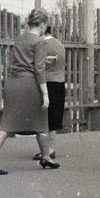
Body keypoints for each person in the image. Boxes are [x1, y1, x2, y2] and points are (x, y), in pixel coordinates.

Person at [0, 8, 58, 174]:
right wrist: (45, 94)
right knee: (41, 121)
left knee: (6, 123)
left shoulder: (20, 39)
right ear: (43, 24)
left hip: (13, 83)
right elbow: (39, 70)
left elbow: (22, 60)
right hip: (29, 85)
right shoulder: (40, 42)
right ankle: (46, 156)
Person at [34, 26, 66, 162]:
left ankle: (47, 150)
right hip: (59, 82)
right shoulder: (59, 44)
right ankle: (51, 148)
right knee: (55, 115)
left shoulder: (42, 44)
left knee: (45, 117)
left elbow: (37, 65)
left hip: (46, 82)